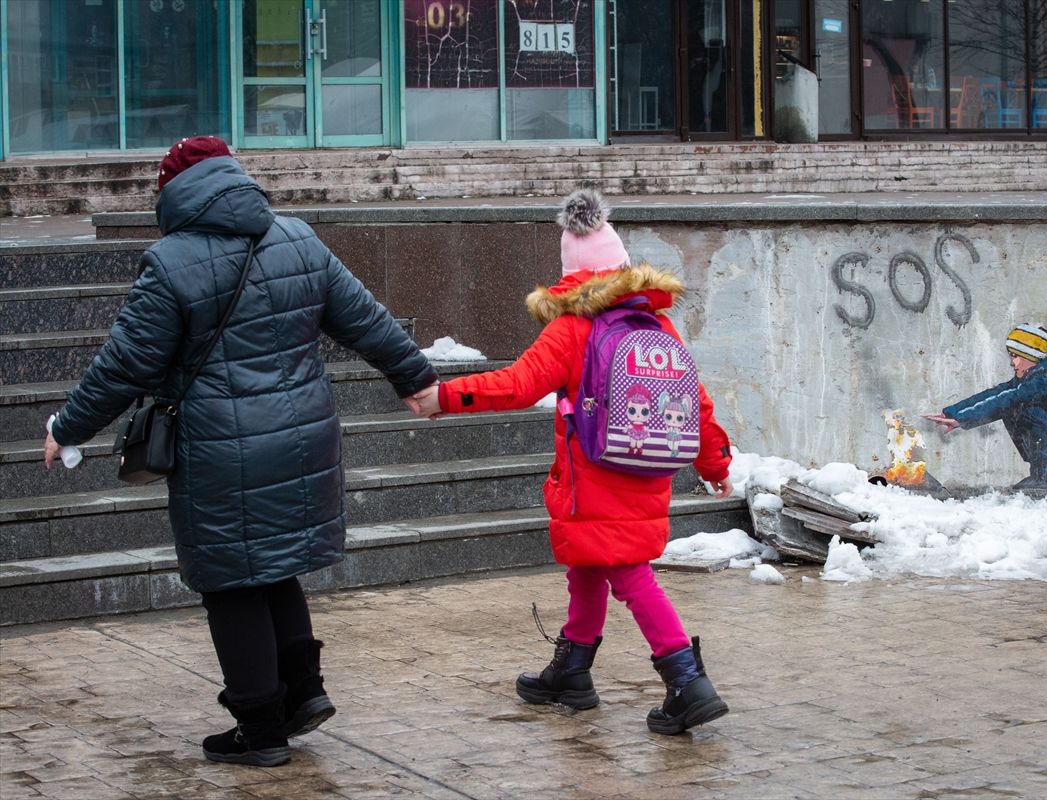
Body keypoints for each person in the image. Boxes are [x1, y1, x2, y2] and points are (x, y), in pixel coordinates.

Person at [42, 137, 438, 766]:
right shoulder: (296, 237)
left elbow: (125, 365)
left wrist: (69, 426)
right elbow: (364, 318)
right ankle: (303, 694)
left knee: (230, 580)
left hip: (221, 449)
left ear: (173, 191)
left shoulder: (171, 262)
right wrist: (415, 377)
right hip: (304, 437)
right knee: (274, 565)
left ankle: (261, 731)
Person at [409, 188, 735, 735]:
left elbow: (516, 384)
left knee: (629, 573)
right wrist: (715, 464)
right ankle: (573, 670)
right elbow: (696, 402)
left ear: (569, 275)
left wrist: (446, 397)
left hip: (594, 475)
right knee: (590, 561)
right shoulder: (658, 327)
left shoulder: (572, 328)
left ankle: (687, 680)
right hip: (648, 470)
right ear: (624, 268)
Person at [925, 323, 1047, 490]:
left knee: (1022, 408)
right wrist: (953, 413)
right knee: (1013, 408)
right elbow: (996, 394)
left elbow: (1009, 398)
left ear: (1030, 355)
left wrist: (962, 419)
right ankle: (1043, 473)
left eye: (1015, 356)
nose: (1012, 362)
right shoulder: (1032, 375)